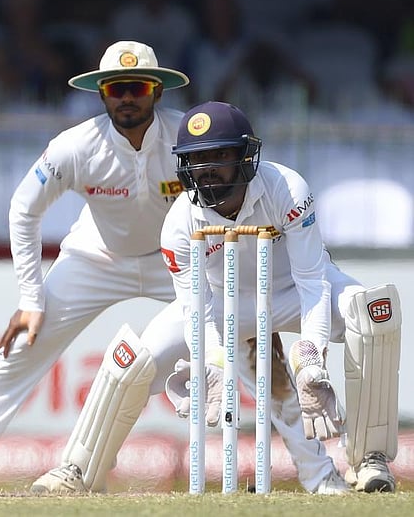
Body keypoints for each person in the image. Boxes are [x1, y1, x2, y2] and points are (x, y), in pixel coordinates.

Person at [0, 40, 191, 495]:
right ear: (102, 93)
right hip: (96, 258)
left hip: (174, 262)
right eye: (115, 88)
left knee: (245, 335)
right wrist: (30, 298)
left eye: (137, 87)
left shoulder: (187, 139)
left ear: (157, 92)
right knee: (18, 351)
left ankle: (315, 467)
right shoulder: (76, 146)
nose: (126, 97)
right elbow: (24, 209)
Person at [158, 101, 400, 493]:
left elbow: (312, 281)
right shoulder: (178, 225)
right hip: (227, 304)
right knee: (136, 361)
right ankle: (79, 469)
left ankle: (369, 457)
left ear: (244, 157)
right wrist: (215, 363)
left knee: (373, 313)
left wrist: (310, 360)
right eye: (196, 159)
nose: (206, 169)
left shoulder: (286, 188)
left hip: (292, 289)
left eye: (219, 155)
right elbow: (196, 313)